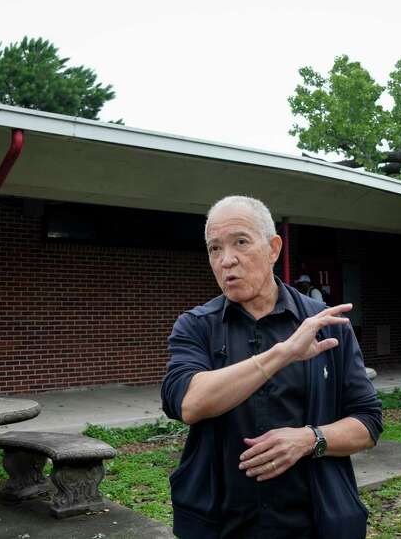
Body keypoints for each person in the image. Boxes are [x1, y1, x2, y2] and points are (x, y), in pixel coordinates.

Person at [161, 195, 382, 539]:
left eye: (241, 242)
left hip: (314, 523)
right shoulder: (195, 326)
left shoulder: (326, 324)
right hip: (220, 524)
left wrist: (310, 439)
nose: (226, 260)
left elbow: (368, 422)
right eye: (214, 249)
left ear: (273, 248)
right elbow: (190, 403)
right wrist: (284, 353)